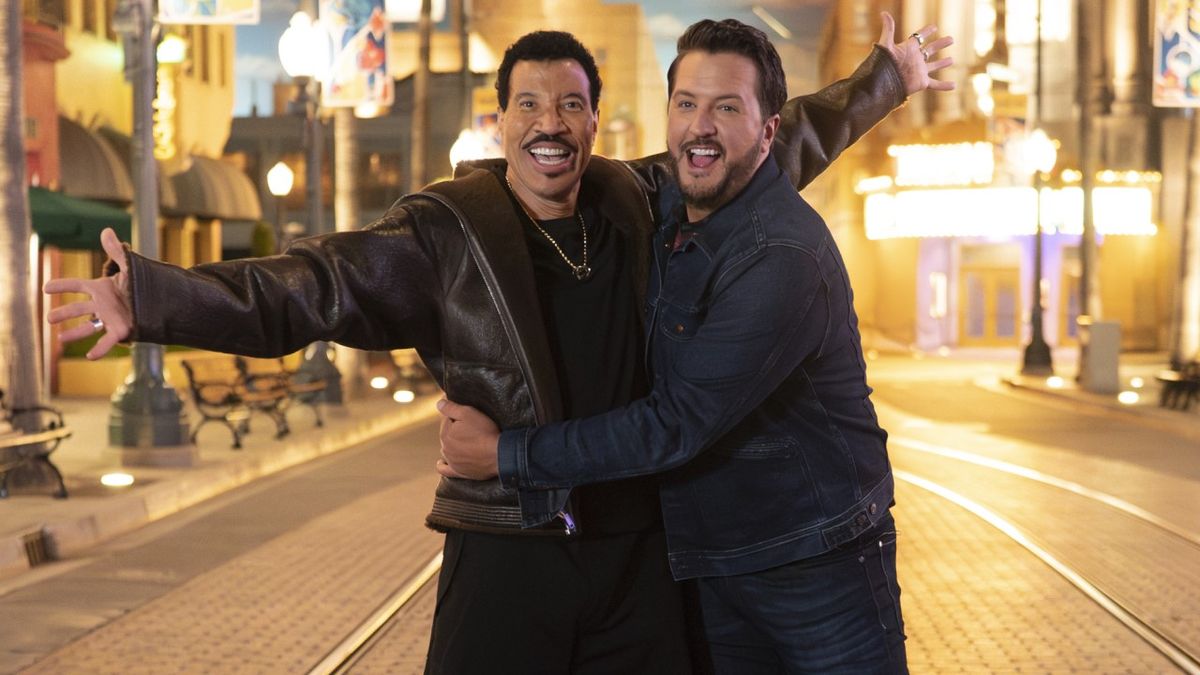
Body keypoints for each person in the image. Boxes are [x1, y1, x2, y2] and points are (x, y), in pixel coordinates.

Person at [45, 18, 950, 673]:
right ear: (501, 121)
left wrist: (885, 79)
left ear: (596, 121)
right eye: (527, 104)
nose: (548, 122)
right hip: (510, 546)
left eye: (569, 103)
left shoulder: (640, 200)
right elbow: (314, 285)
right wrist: (156, 300)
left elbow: (766, 150)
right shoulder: (445, 233)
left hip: (639, 554)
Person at [438, 18, 952, 673]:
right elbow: (792, 138)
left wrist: (503, 454)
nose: (700, 126)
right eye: (687, 104)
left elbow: (675, 423)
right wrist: (883, 81)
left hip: (813, 561)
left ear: (764, 131)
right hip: (713, 563)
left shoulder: (781, 256)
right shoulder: (668, 201)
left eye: (727, 107)